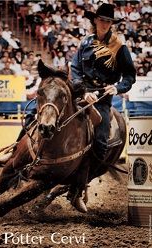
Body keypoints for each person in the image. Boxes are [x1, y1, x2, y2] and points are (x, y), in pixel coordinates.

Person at [70, 3, 136, 212]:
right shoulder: (85, 43)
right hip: (83, 93)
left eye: (108, 21)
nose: (105, 24)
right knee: (47, 112)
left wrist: (118, 88)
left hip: (102, 98)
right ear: (95, 21)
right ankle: (19, 151)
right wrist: (81, 89)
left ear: (111, 24)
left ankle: (79, 187)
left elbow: (130, 75)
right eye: (102, 20)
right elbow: (75, 68)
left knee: (100, 141)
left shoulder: (119, 46)